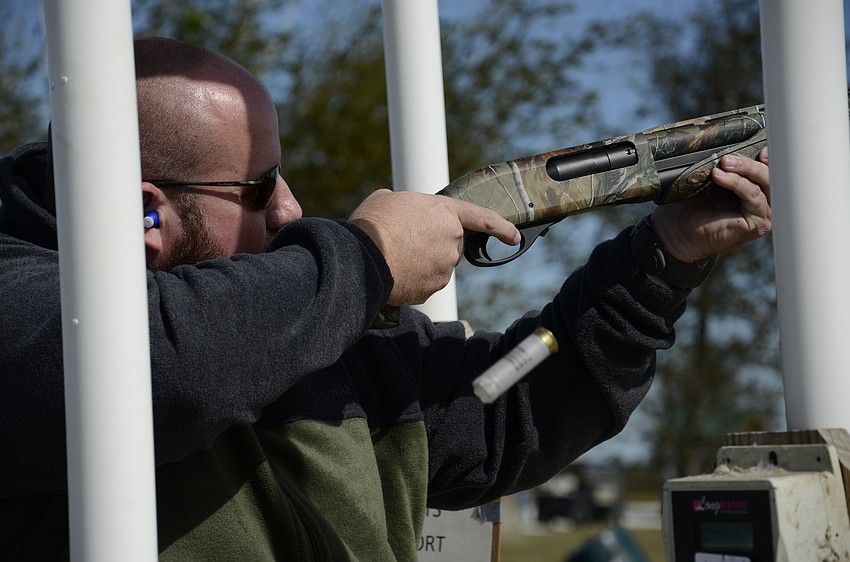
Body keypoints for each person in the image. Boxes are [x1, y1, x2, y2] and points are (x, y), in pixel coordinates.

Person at [0, 36, 771, 560]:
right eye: (260, 186)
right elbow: (151, 367)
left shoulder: (313, 342)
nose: (292, 212)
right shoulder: (25, 313)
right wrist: (365, 257)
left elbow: (507, 397)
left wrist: (659, 262)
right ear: (147, 214)